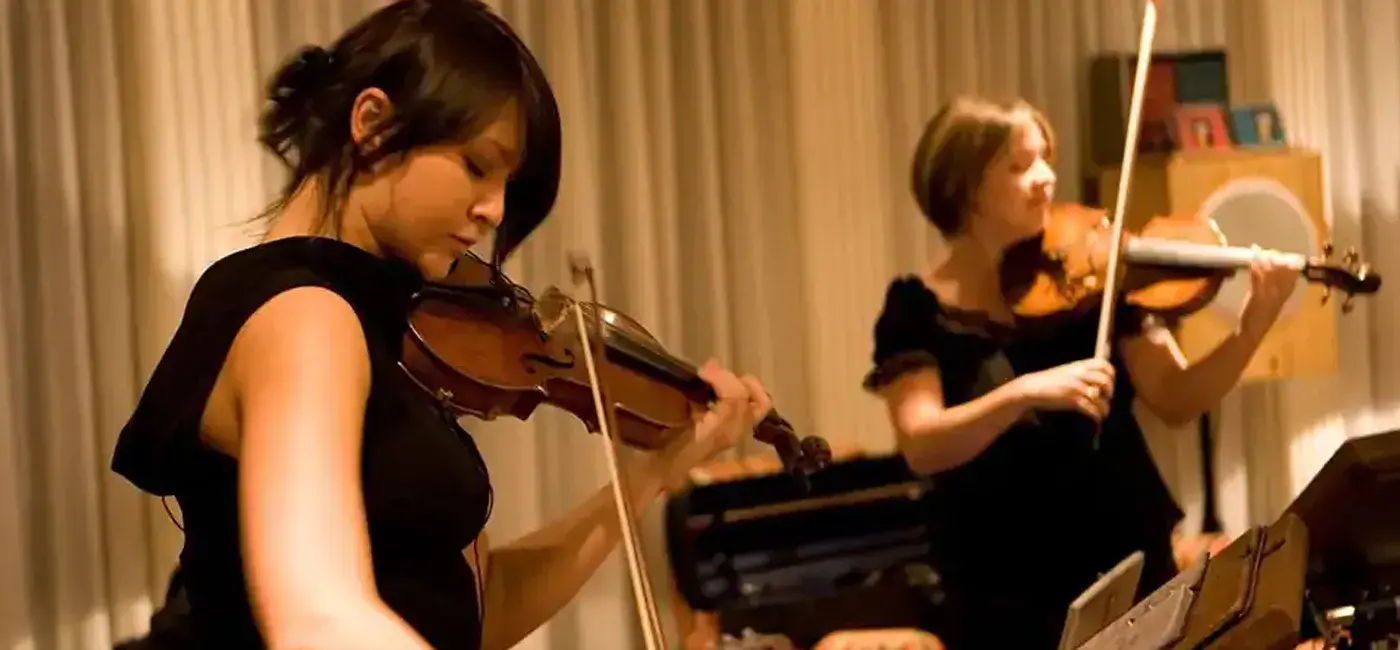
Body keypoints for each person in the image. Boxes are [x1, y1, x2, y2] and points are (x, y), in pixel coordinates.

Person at [109, 2, 773, 649]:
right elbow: (320, 621)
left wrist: (655, 471)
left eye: (508, 184)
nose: (494, 211)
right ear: (371, 123)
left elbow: (479, 612)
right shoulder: (303, 314)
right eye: (477, 166)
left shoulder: (387, 328)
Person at [862, 96, 1297, 649]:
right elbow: (922, 442)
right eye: (1020, 165)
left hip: (1129, 564)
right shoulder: (919, 312)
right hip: (1007, 590)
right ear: (965, 188)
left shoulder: (1091, 279)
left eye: (1046, 158)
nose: (1046, 177)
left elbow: (1176, 396)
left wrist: (1251, 328)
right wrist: (1023, 394)